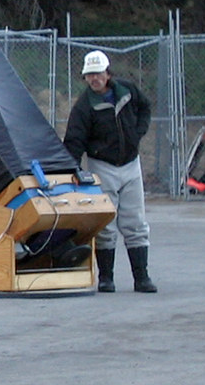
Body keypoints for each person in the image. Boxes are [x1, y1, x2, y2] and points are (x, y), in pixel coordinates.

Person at [63, 50, 157, 293]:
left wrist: (138, 133)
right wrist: (71, 170)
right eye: (89, 75)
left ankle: (142, 278)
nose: (94, 79)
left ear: (108, 73)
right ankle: (106, 278)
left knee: (135, 223)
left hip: (130, 164)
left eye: (98, 73)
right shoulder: (84, 106)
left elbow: (145, 107)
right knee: (105, 225)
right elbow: (74, 140)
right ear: (85, 78)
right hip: (102, 167)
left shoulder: (128, 90)